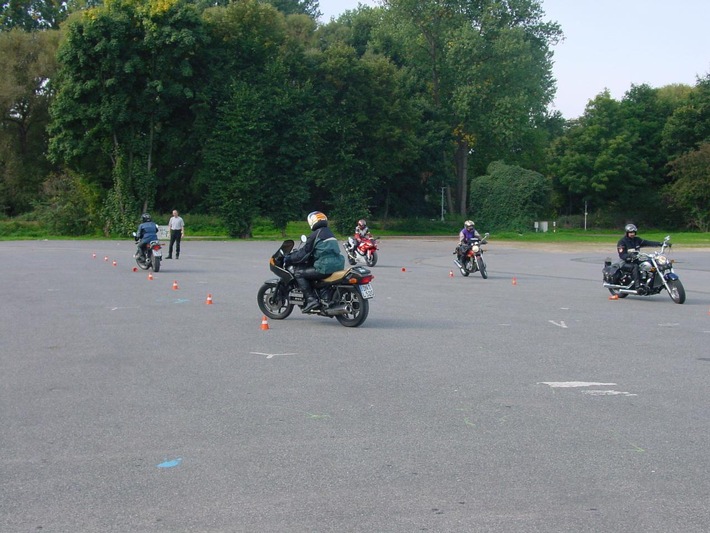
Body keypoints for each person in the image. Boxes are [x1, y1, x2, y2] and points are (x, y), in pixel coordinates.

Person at [285, 211, 345, 313]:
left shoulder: (315, 235)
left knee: (299, 273)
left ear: (312, 221)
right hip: (338, 265)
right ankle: (324, 295)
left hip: (325, 266)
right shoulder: (330, 233)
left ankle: (311, 300)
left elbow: (304, 253)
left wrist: (290, 258)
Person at [616, 223, 664, 292]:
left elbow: (648, 242)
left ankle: (649, 283)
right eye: (630, 232)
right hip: (625, 262)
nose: (632, 234)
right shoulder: (622, 242)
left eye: (633, 232)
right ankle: (637, 286)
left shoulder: (637, 240)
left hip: (635, 259)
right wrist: (630, 256)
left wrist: (660, 244)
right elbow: (622, 255)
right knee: (635, 267)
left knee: (649, 263)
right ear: (627, 233)